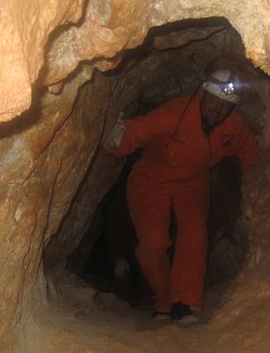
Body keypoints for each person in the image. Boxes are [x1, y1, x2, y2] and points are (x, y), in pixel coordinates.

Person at [104, 68, 259, 324]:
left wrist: (269, 178)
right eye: (214, 101)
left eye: (225, 106)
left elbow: (252, 153)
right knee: (153, 243)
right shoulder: (175, 114)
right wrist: (119, 137)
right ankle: (164, 301)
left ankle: (186, 303)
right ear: (201, 95)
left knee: (194, 233)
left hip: (193, 183)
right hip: (150, 181)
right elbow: (139, 130)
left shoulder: (233, 126)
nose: (218, 110)